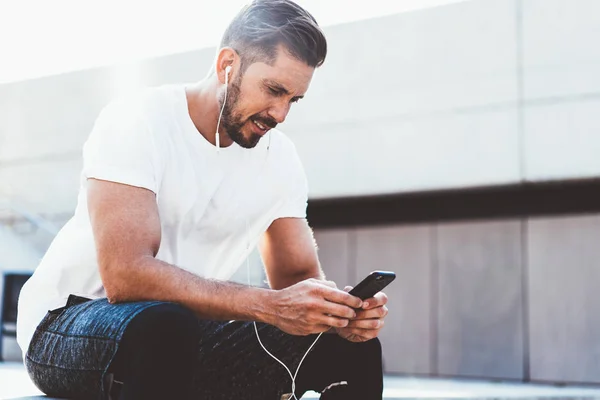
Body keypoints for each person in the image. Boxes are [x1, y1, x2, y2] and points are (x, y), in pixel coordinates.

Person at [17, 1, 389, 399]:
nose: (280, 114)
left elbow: (296, 277)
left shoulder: (280, 159)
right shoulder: (137, 120)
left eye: (293, 100)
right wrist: (268, 305)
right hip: (65, 325)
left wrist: (337, 312)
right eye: (274, 90)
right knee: (163, 326)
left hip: (188, 332)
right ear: (227, 63)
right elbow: (125, 276)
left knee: (345, 347)